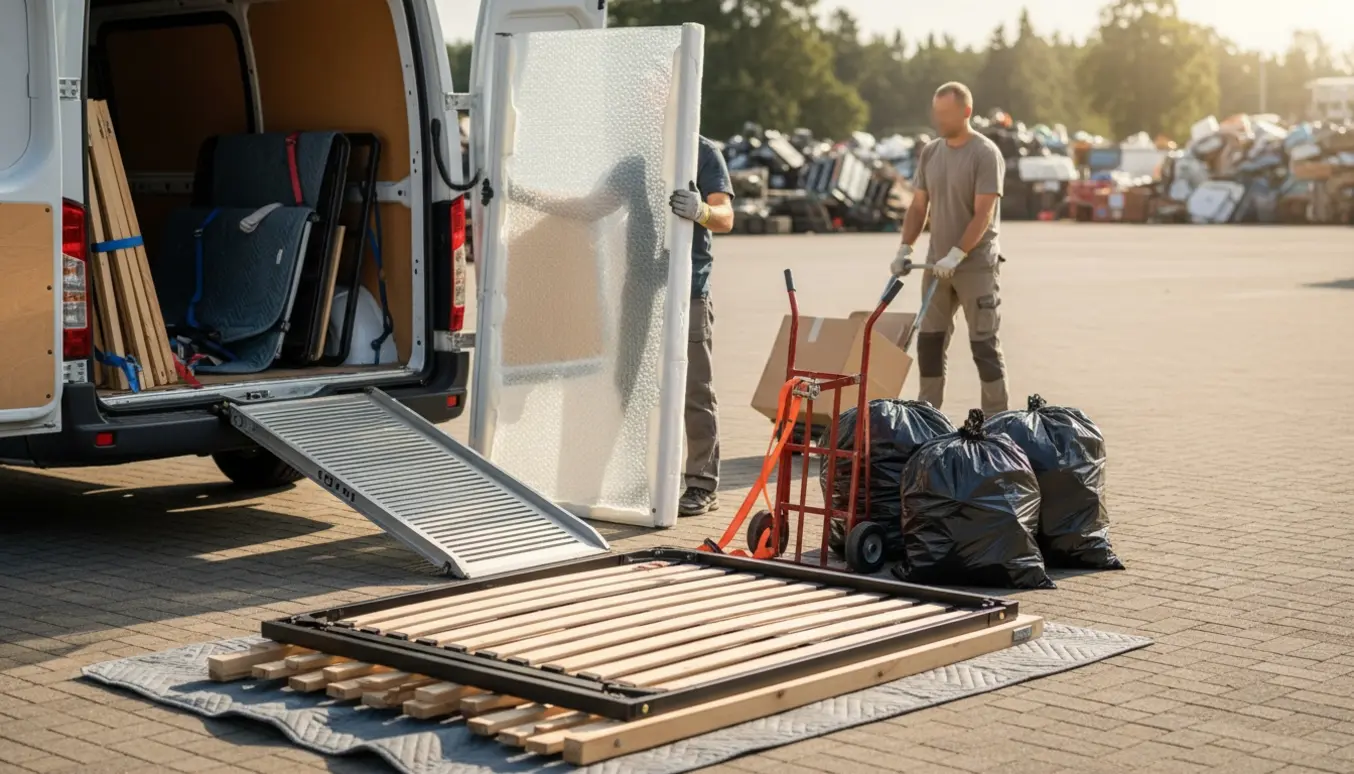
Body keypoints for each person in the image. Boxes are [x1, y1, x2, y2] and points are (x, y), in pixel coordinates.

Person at [892, 82, 1009, 415]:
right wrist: (905, 249)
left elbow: (983, 213)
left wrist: (958, 254)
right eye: (936, 112)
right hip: (935, 267)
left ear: (966, 112)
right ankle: (928, 418)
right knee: (930, 344)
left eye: (946, 113)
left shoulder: (985, 154)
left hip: (975, 266)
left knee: (984, 346)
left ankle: (997, 422)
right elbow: (918, 207)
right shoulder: (931, 152)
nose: (939, 119)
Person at [669, 136, 735, 516]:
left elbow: (725, 216)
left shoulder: (703, 151)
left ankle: (701, 484)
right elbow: (599, 206)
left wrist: (701, 212)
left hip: (689, 290)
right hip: (643, 289)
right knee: (630, 388)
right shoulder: (640, 144)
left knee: (695, 389)